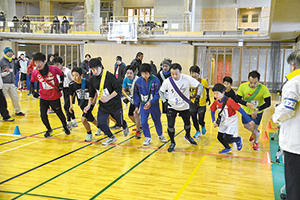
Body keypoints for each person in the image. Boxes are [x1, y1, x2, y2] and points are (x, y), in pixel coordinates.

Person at [271, 50, 300, 200]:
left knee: (294, 184)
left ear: (293, 66)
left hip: (296, 144)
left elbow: (288, 108)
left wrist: (275, 116)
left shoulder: (295, 82)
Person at [84, 58, 129, 145]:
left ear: (101, 67)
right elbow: (91, 94)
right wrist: (89, 105)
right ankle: (111, 137)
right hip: (103, 106)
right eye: (92, 69)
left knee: (118, 122)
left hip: (115, 104)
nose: (95, 71)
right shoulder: (92, 79)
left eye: (96, 68)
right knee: (100, 124)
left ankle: (124, 124)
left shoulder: (109, 76)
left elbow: (118, 89)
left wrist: (108, 98)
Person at [160, 63, 203, 153]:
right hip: (172, 106)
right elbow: (161, 91)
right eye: (172, 74)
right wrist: (164, 101)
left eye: (176, 74)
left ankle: (188, 135)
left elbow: (200, 86)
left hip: (185, 106)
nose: (174, 76)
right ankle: (172, 142)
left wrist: (197, 97)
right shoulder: (168, 81)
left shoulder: (187, 78)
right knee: (170, 126)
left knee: (187, 124)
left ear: (181, 72)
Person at [30, 52, 71, 138]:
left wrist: (61, 84)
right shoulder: (35, 72)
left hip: (54, 96)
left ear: (45, 61)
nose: (37, 65)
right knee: (43, 115)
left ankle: (65, 126)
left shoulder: (53, 68)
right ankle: (49, 129)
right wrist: (33, 92)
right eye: (35, 63)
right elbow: (32, 82)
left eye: (39, 62)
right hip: (43, 97)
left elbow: (62, 75)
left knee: (59, 113)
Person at [211, 83, 255, 154]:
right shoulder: (216, 102)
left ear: (223, 93)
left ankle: (238, 139)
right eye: (214, 94)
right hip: (223, 120)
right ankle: (228, 148)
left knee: (227, 139)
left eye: (217, 94)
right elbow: (212, 110)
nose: (215, 96)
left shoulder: (230, 101)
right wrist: (213, 121)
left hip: (232, 120)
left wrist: (249, 120)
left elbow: (241, 110)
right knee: (219, 137)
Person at [236, 70, 271, 150]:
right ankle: (256, 133)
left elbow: (268, 103)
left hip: (258, 112)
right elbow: (237, 99)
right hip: (246, 111)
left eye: (255, 83)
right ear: (248, 80)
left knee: (254, 128)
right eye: (251, 82)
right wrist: (247, 104)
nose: (252, 85)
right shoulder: (243, 86)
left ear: (258, 81)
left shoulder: (263, 88)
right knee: (246, 126)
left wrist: (257, 109)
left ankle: (256, 142)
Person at [133, 63, 167, 145]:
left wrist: (151, 102)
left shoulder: (155, 80)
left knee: (157, 121)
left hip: (154, 105)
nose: (144, 75)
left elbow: (158, 93)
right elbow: (136, 95)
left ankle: (160, 135)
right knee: (143, 122)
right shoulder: (138, 82)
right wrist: (136, 106)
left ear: (150, 72)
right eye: (142, 73)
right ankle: (147, 137)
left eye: (146, 73)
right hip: (143, 105)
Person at [69, 67, 101, 142]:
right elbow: (71, 94)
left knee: (83, 119)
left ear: (81, 75)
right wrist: (71, 104)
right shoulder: (72, 84)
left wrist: (95, 99)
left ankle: (89, 133)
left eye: (76, 75)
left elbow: (95, 91)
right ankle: (100, 127)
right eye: (73, 75)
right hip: (82, 104)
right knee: (90, 118)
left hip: (90, 103)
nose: (74, 77)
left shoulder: (87, 82)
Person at [53, 56, 78, 128]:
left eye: (58, 64)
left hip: (70, 89)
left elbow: (72, 80)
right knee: (68, 106)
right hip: (64, 89)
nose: (56, 66)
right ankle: (74, 121)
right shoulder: (57, 72)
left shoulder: (67, 71)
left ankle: (68, 122)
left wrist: (74, 91)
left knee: (66, 106)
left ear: (62, 64)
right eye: (55, 65)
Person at [0, 47, 25, 116]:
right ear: (5, 53)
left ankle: (18, 111)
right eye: (9, 52)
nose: (10, 53)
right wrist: (5, 72)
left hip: (11, 83)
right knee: (2, 100)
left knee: (15, 98)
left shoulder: (12, 61)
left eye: (11, 52)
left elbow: (13, 70)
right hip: (4, 83)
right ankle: (3, 113)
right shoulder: (1, 61)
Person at [189, 65, 210, 138]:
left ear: (199, 73)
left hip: (202, 103)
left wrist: (208, 97)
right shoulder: (188, 82)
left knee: (200, 119)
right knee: (194, 119)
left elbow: (207, 89)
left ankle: (203, 125)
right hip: (192, 103)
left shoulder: (203, 81)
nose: (194, 75)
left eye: (196, 73)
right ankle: (198, 131)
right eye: (192, 73)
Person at [122, 65, 141, 139]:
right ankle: (139, 125)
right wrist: (128, 97)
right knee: (130, 115)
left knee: (136, 114)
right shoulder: (126, 79)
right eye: (127, 73)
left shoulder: (138, 80)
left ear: (134, 73)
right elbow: (123, 89)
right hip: (132, 98)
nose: (129, 75)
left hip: (139, 99)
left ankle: (138, 130)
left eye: (130, 73)